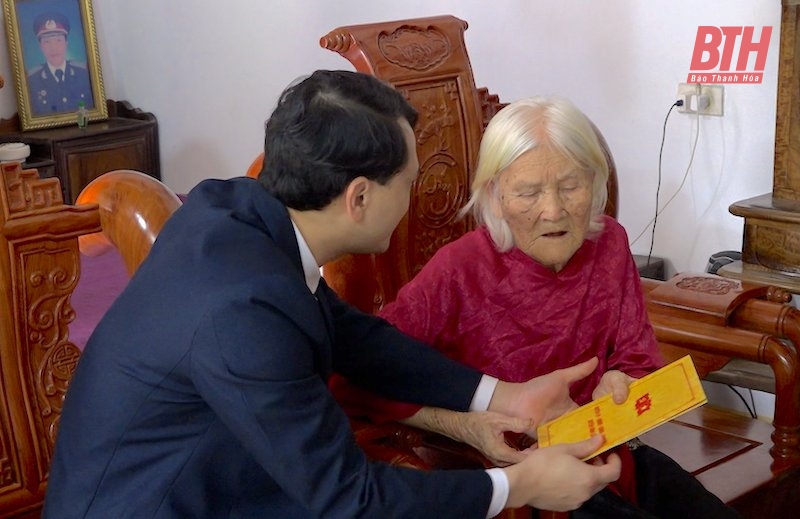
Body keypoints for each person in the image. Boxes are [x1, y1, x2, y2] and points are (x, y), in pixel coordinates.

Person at [42, 71, 622, 519]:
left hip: (223, 480)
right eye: (409, 183)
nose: (415, 196)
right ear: (360, 199)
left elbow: (350, 334)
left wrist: (504, 396)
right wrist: (518, 486)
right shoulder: (241, 311)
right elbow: (349, 498)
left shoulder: (235, 210)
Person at [332, 97, 743, 518]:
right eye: (528, 192)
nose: (553, 211)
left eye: (570, 186)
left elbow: (637, 359)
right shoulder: (459, 270)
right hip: (523, 483)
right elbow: (357, 379)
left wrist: (621, 383)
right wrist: (463, 426)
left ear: (595, 181)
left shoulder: (609, 244)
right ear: (495, 195)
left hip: (610, 454)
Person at [27, 11, 93, 116]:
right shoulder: (31, 80)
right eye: (47, 42)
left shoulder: (85, 74)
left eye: (58, 41)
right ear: (41, 47)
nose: (54, 48)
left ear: (66, 43)